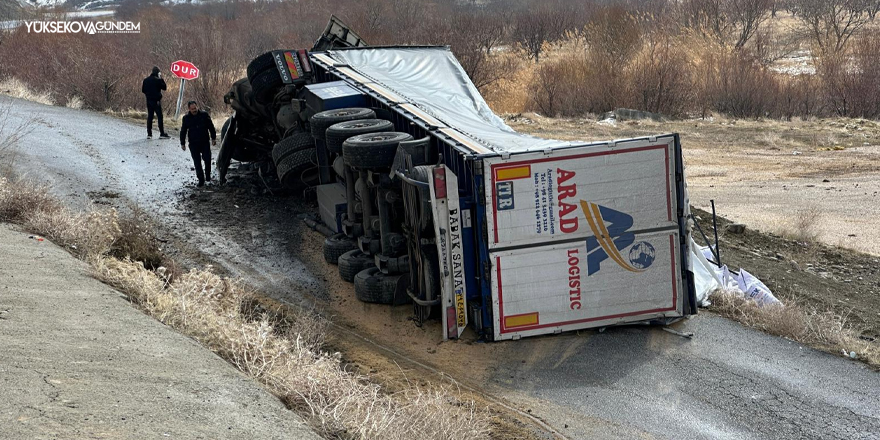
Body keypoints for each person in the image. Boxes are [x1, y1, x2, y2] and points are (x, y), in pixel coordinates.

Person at [180, 101, 216, 187]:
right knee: (197, 162)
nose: (194, 110)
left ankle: (207, 176)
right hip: (193, 143)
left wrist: (213, 138)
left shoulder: (204, 115)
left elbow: (211, 127)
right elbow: (183, 131)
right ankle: (201, 180)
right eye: (192, 109)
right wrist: (182, 143)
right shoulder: (186, 118)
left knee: (207, 159)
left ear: (197, 107)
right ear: (189, 109)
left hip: (204, 142)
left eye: (195, 108)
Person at [141, 66, 169, 140]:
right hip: (156, 101)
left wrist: (148, 94)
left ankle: (149, 134)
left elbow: (143, 90)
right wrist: (161, 79)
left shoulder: (146, 80)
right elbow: (164, 87)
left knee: (150, 116)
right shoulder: (158, 80)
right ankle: (162, 133)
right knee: (159, 116)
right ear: (158, 73)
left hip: (148, 100)